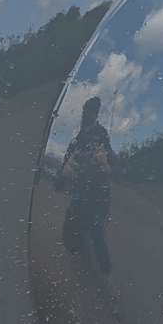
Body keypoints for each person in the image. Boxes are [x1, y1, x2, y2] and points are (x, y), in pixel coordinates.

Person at [59, 95, 114, 274]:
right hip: (81, 189)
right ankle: (79, 252)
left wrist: (107, 162)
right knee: (71, 225)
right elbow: (68, 160)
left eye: (91, 111)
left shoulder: (101, 133)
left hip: (99, 190)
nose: (87, 115)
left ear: (95, 113)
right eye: (86, 111)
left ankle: (107, 277)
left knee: (97, 231)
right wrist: (63, 174)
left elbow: (110, 158)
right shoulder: (79, 136)